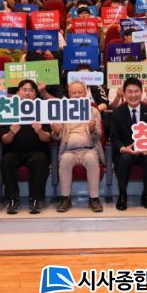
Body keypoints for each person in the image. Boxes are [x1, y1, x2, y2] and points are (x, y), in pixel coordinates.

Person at [51, 81, 104, 213]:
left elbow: (98, 135)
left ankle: (94, 198)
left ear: (85, 94)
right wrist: (56, 131)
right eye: (74, 93)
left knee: (92, 160)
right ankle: (65, 198)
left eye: (80, 92)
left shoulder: (93, 111)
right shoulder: (62, 110)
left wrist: (92, 129)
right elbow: (56, 136)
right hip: (68, 150)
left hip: (89, 149)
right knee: (65, 160)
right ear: (69, 94)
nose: (77, 95)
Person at [0, 79, 51, 214]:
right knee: (7, 161)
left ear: (35, 94)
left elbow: (47, 138)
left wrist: (39, 131)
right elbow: (4, 140)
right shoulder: (8, 110)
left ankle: (35, 199)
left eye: (31, 90)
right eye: (24, 90)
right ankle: (12, 199)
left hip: (37, 150)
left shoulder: (42, 109)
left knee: (40, 160)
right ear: (17, 92)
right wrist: (11, 132)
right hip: (13, 151)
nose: (28, 93)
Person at [110, 77, 147, 211]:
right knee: (125, 158)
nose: (133, 95)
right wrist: (123, 148)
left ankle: (146, 195)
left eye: (136, 91)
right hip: (126, 151)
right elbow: (114, 138)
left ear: (141, 92)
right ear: (124, 93)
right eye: (130, 92)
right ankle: (122, 195)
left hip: (146, 151)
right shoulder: (117, 113)